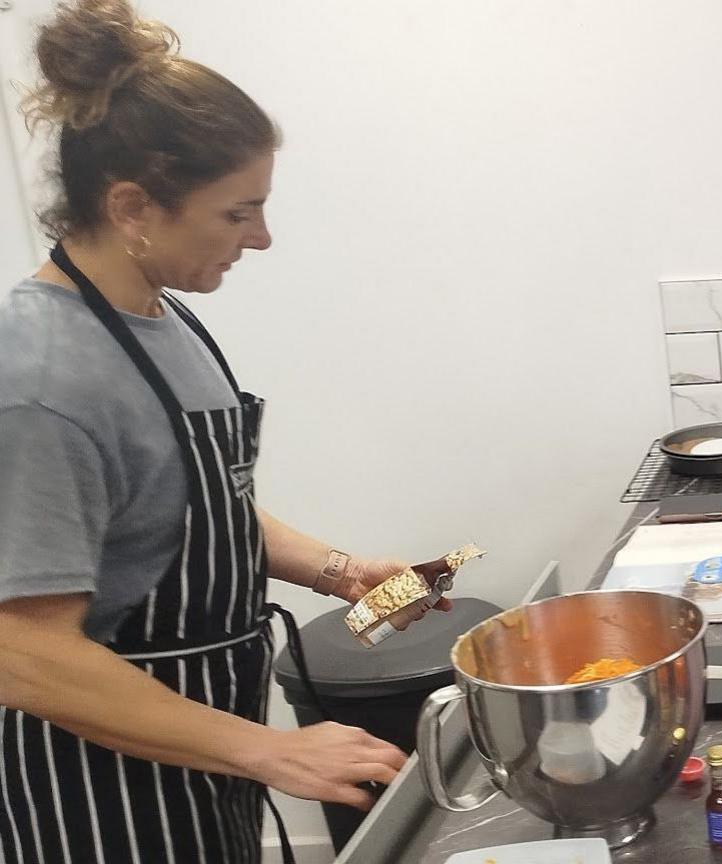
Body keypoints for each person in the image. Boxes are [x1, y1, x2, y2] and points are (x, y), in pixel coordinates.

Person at [0, 2, 443, 861]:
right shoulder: (40, 381)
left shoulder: (161, 320)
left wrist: (341, 571)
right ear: (132, 206)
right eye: (238, 214)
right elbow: (22, 650)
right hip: (97, 797)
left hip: (200, 754)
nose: (262, 239)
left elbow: (193, 505)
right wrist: (270, 749)